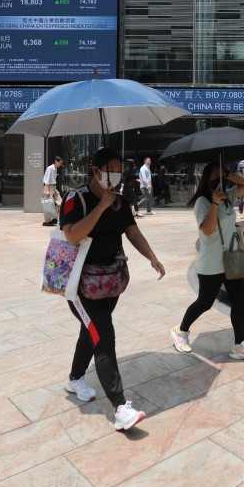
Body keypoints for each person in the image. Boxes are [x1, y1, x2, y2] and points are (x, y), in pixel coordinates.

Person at [60, 147, 166, 431]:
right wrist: (101, 206)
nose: (116, 175)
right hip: (80, 288)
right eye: (111, 170)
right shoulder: (75, 198)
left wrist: (152, 257)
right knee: (103, 337)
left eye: (119, 170)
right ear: (95, 170)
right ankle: (120, 408)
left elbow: (132, 231)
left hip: (109, 283)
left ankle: (74, 379)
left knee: (91, 331)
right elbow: (72, 235)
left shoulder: (121, 201)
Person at [169, 161, 244, 362]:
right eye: (215, 176)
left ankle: (240, 345)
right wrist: (215, 203)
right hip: (211, 262)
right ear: (206, 179)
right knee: (205, 302)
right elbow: (208, 230)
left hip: (231, 259)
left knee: (238, 303)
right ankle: (181, 331)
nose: (219, 180)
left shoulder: (228, 196)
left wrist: (228, 174)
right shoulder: (202, 202)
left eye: (222, 176)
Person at [43, 156, 63, 226]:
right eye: (60, 162)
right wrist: (47, 190)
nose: (61, 164)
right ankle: (47, 221)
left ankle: (54, 218)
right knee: (47, 204)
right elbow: (47, 179)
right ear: (56, 161)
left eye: (61, 163)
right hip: (49, 187)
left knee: (60, 202)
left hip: (53, 187)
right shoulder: (50, 168)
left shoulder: (55, 168)